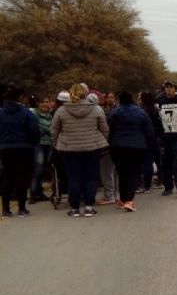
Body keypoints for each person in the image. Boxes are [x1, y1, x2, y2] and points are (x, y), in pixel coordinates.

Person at [51, 83, 109, 217]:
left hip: (68, 149)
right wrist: (99, 141)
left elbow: (54, 131)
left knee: (73, 178)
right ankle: (89, 206)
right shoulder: (96, 110)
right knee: (90, 177)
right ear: (86, 94)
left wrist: (56, 144)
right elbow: (104, 129)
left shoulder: (61, 111)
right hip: (91, 148)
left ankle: (74, 208)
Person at [107, 91, 154, 212]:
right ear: (131, 99)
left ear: (119, 100)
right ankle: (129, 200)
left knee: (122, 173)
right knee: (133, 174)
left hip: (117, 147)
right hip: (137, 147)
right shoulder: (140, 112)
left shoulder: (114, 113)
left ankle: (122, 200)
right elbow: (149, 131)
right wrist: (147, 145)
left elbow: (108, 129)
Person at [0, 85, 40, 217]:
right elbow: (34, 130)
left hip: (5, 148)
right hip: (24, 148)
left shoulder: (1, 112)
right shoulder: (26, 113)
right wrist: (33, 143)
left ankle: (5, 209)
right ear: (21, 97)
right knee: (22, 177)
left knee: (8, 177)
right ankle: (21, 208)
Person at [155, 80, 177, 198]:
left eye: (171, 87)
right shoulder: (159, 101)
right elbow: (157, 120)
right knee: (165, 164)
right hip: (165, 139)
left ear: (175, 88)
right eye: (166, 87)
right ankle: (168, 187)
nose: (168, 89)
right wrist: (159, 136)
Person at [96, 91, 119, 205]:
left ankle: (111, 195)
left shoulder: (112, 112)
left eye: (112, 97)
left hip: (109, 144)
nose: (109, 99)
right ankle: (115, 195)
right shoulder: (103, 110)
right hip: (112, 144)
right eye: (108, 97)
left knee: (108, 172)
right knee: (111, 171)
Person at [29, 95, 54, 204]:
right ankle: (33, 194)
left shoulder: (50, 116)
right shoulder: (33, 114)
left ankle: (40, 193)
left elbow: (52, 130)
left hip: (48, 144)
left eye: (47, 101)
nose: (45, 104)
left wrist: (47, 131)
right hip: (38, 144)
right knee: (37, 169)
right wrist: (47, 131)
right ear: (38, 103)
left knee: (43, 169)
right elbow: (37, 128)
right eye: (43, 102)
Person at [137, 91, 162, 194]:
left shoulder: (141, 111)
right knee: (155, 162)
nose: (138, 99)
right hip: (155, 139)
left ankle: (145, 185)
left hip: (144, 139)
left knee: (145, 164)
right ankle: (156, 182)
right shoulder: (155, 110)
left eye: (139, 97)